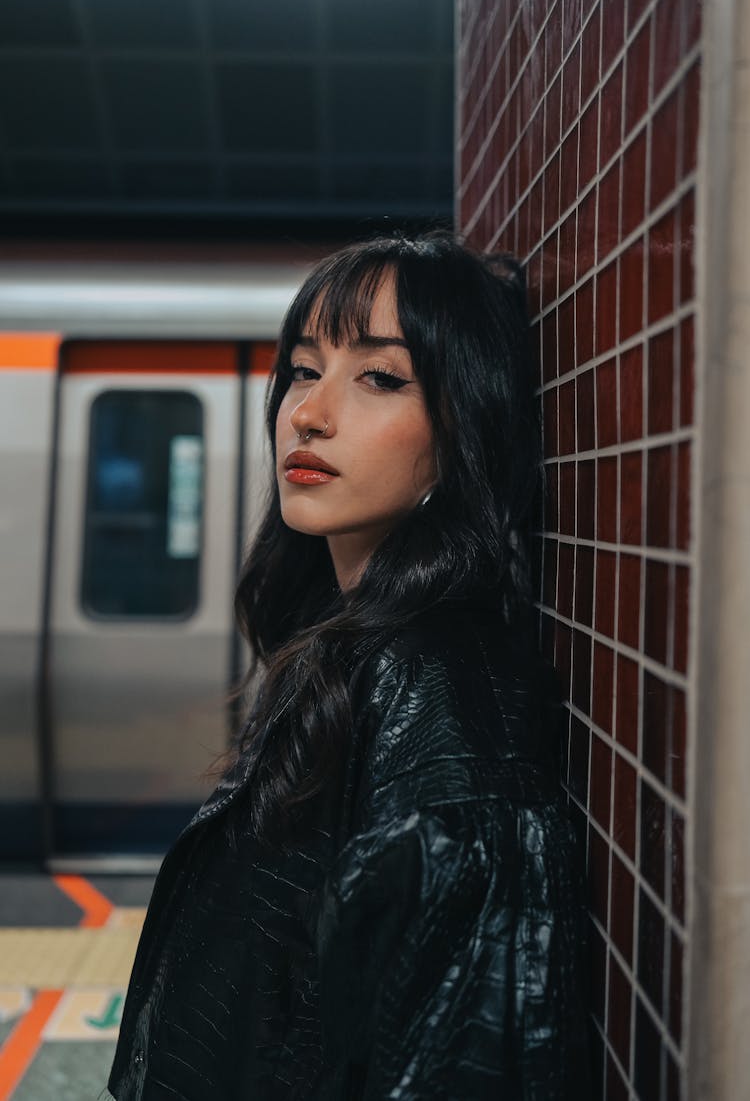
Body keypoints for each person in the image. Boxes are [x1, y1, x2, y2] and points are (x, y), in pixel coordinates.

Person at [108, 232, 593, 1100]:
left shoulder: (436, 692)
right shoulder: (351, 643)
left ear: (463, 425)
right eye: (302, 369)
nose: (310, 413)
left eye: (380, 378)